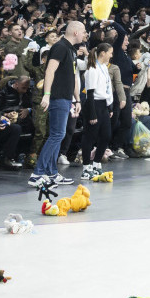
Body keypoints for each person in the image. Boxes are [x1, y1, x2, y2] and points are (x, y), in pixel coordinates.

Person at [31, 20, 86, 187]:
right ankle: (37, 174)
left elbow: (74, 76)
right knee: (56, 135)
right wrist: (46, 94)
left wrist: (77, 98)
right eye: (83, 31)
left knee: (58, 135)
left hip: (67, 98)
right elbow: (50, 70)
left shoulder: (71, 50)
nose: (85, 35)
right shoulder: (60, 47)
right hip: (57, 97)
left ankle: (52, 172)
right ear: (75, 32)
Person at [80, 42, 115, 175]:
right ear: (103, 53)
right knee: (90, 136)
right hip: (93, 104)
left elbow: (106, 88)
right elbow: (90, 93)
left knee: (106, 135)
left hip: (103, 104)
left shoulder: (104, 67)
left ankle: (96, 163)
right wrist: (92, 114)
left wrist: (109, 106)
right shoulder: (92, 69)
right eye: (110, 53)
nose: (111, 55)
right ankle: (86, 167)